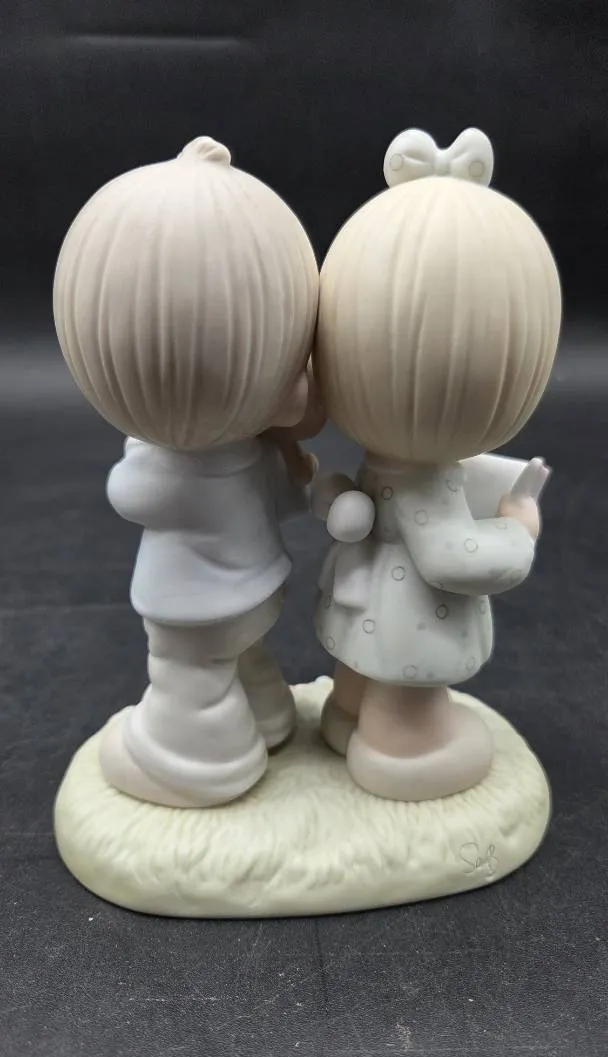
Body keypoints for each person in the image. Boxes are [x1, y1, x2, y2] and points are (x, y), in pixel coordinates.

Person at [54, 136, 321, 807]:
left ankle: (202, 759)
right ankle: (269, 715)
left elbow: (128, 494)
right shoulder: (260, 448)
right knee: (245, 658)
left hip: (196, 609)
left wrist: (138, 448)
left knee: (191, 676)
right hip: (260, 589)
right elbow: (289, 496)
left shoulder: (170, 470)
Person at [312, 127, 562, 802]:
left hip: (361, 594)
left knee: (361, 668)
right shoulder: (426, 481)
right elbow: (455, 557)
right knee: (404, 687)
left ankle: (346, 714)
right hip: (408, 623)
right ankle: (400, 750)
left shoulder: (385, 461)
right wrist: (519, 525)